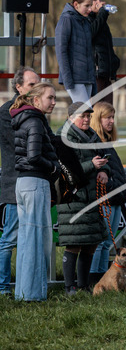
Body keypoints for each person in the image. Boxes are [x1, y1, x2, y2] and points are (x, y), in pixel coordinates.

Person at [10, 82, 59, 301]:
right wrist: (54, 167)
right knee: (38, 241)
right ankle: (33, 295)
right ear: (36, 100)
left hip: (23, 183)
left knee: (27, 240)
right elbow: (34, 156)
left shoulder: (22, 119)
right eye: (51, 97)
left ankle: (23, 292)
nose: (54, 102)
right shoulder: (35, 121)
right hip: (35, 182)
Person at [56, 102, 110, 295]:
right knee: (74, 244)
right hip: (74, 198)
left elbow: (103, 158)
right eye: (82, 116)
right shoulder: (63, 137)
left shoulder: (92, 136)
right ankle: (69, 287)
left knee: (91, 243)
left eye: (88, 116)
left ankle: (84, 286)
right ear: (71, 117)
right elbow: (66, 170)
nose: (86, 119)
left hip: (92, 198)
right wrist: (91, 166)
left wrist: (104, 170)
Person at [0, 67, 41, 295]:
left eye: (38, 83)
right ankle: (3, 287)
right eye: (31, 84)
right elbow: (19, 147)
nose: (35, 87)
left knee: (29, 237)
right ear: (18, 87)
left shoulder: (35, 111)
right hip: (15, 182)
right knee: (9, 238)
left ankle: (27, 285)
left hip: (31, 180)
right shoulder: (6, 113)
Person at [88, 101, 126, 285]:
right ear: (98, 119)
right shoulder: (95, 143)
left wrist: (124, 181)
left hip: (116, 198)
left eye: (113, 117)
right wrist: (115, 184)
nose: (112, 121)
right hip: (106, 198)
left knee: (106, 243)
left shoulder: (107, 143)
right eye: (108, 117)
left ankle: (103, 280)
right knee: (99, 243)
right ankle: (94, 280)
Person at [55, 0, 98, 104]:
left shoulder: (85, 21)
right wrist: (68, 79)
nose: (90, 9)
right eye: (87, 6)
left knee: (84, 114)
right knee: (84, 112)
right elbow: (61, 51)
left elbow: (89, 52)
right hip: (75, 78)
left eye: (91, 6)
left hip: (87, 77)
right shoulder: (66, 20)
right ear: (76, 5)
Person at [86, 0, 120, 94]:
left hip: (106, 72)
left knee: (107, 109)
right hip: (95, 73)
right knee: (98, 108)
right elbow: (90, 33)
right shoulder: (85, 19)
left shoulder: (101, 20)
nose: (99, 2)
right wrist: (102, 13)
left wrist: (114, 61)